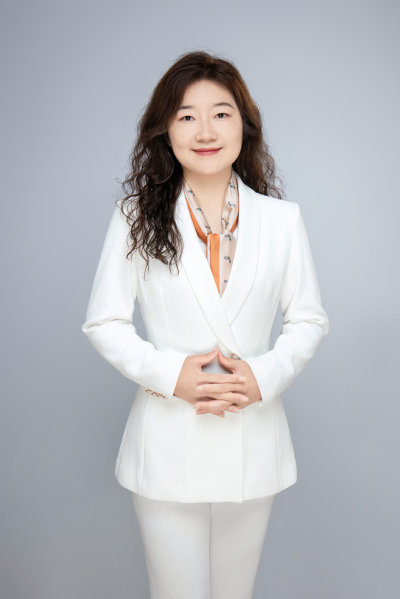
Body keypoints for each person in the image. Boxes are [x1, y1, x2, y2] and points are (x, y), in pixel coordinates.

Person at [82, 50, 329, 599]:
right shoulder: (134, 216)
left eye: (221, 113)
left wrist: (262, 377)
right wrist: (173, 376)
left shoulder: (281, 220)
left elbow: (309, 319)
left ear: (244, 124)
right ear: (165, 129)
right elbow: (104, 322)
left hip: (252, 436)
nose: (205, 131)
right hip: (169, 439)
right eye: (187, 116)